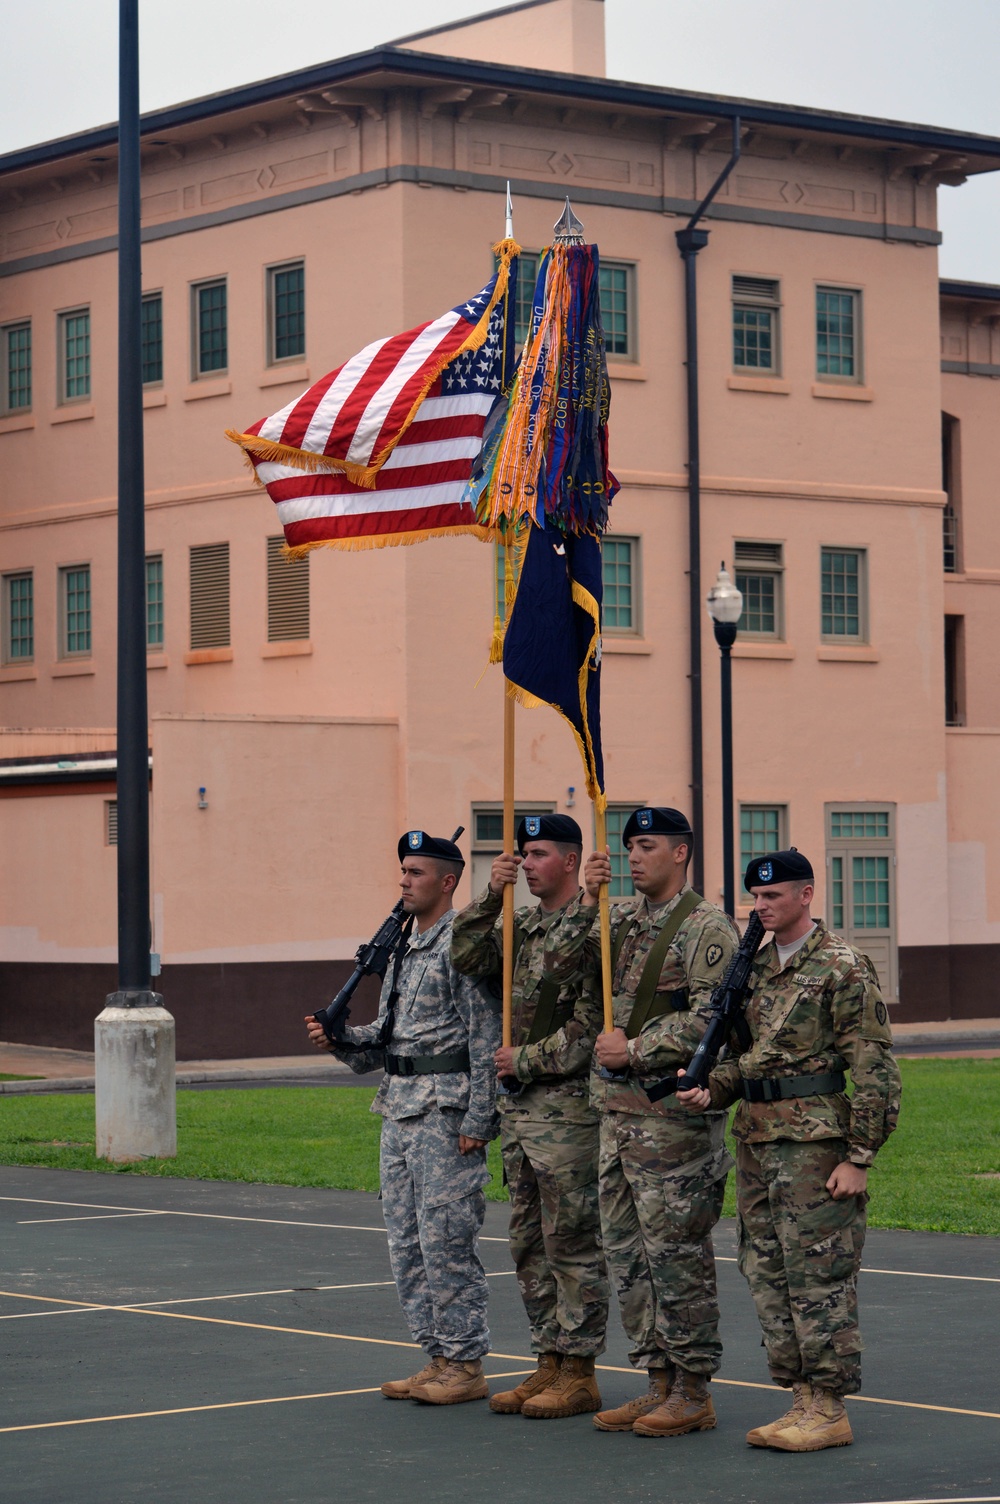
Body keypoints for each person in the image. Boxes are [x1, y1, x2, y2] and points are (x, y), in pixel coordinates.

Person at [678, 849, 902, 1452]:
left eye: (772, 896)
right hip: (756, 1141)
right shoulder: (747, 969)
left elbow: (874, 1069)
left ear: (806, 895)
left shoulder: (843, 967)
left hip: (815, 1149)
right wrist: (711, 1089)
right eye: (755, 897)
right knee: (768, 1272)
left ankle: (829, 1406)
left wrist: (859, 1157)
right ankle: (799, 1397)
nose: (761, 907)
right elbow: (742, 1060)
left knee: (819, 1274)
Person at [543, 807, 738, 1438]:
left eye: (647, 845)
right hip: (617, 1119)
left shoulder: (706, 927)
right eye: (629, 846)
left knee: (676, 1256)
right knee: (627, 1257)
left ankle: (693, 1388)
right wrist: (588, 897)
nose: (634, 856)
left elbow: (715, 1020)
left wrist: (639, 1048)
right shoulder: (621, 919)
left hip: (670, 1123)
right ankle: (657, 1380)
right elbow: (560, 964)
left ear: (681, 853)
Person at [305, 830, 501, 1406]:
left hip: (446, 1113)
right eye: (402, 872)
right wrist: (339, 1038)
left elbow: (485, 1035)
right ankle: (436, 1355)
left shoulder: (460, 946)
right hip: (398, 1108)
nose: (404, 881)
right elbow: (384, 1043)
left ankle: (465, 1363)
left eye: (416, 872)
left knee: (446, 1240)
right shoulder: (402, 949)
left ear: (447, 881)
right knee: (407, 1243)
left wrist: (479, 1118)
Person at [451, 813, 609, 1419]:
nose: (527, 862)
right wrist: (491, 893)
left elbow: (590, 1024)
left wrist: (529, 1060)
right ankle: (548, 1358)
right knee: (527, 1243)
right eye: (523, 853)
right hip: (521, 1116)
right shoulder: (518, 927)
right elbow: (465, 955)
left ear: (569, 861)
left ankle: (579, 1369)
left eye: (539, 853)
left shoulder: (593, 925)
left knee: (570, 1240)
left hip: (566, 1111)